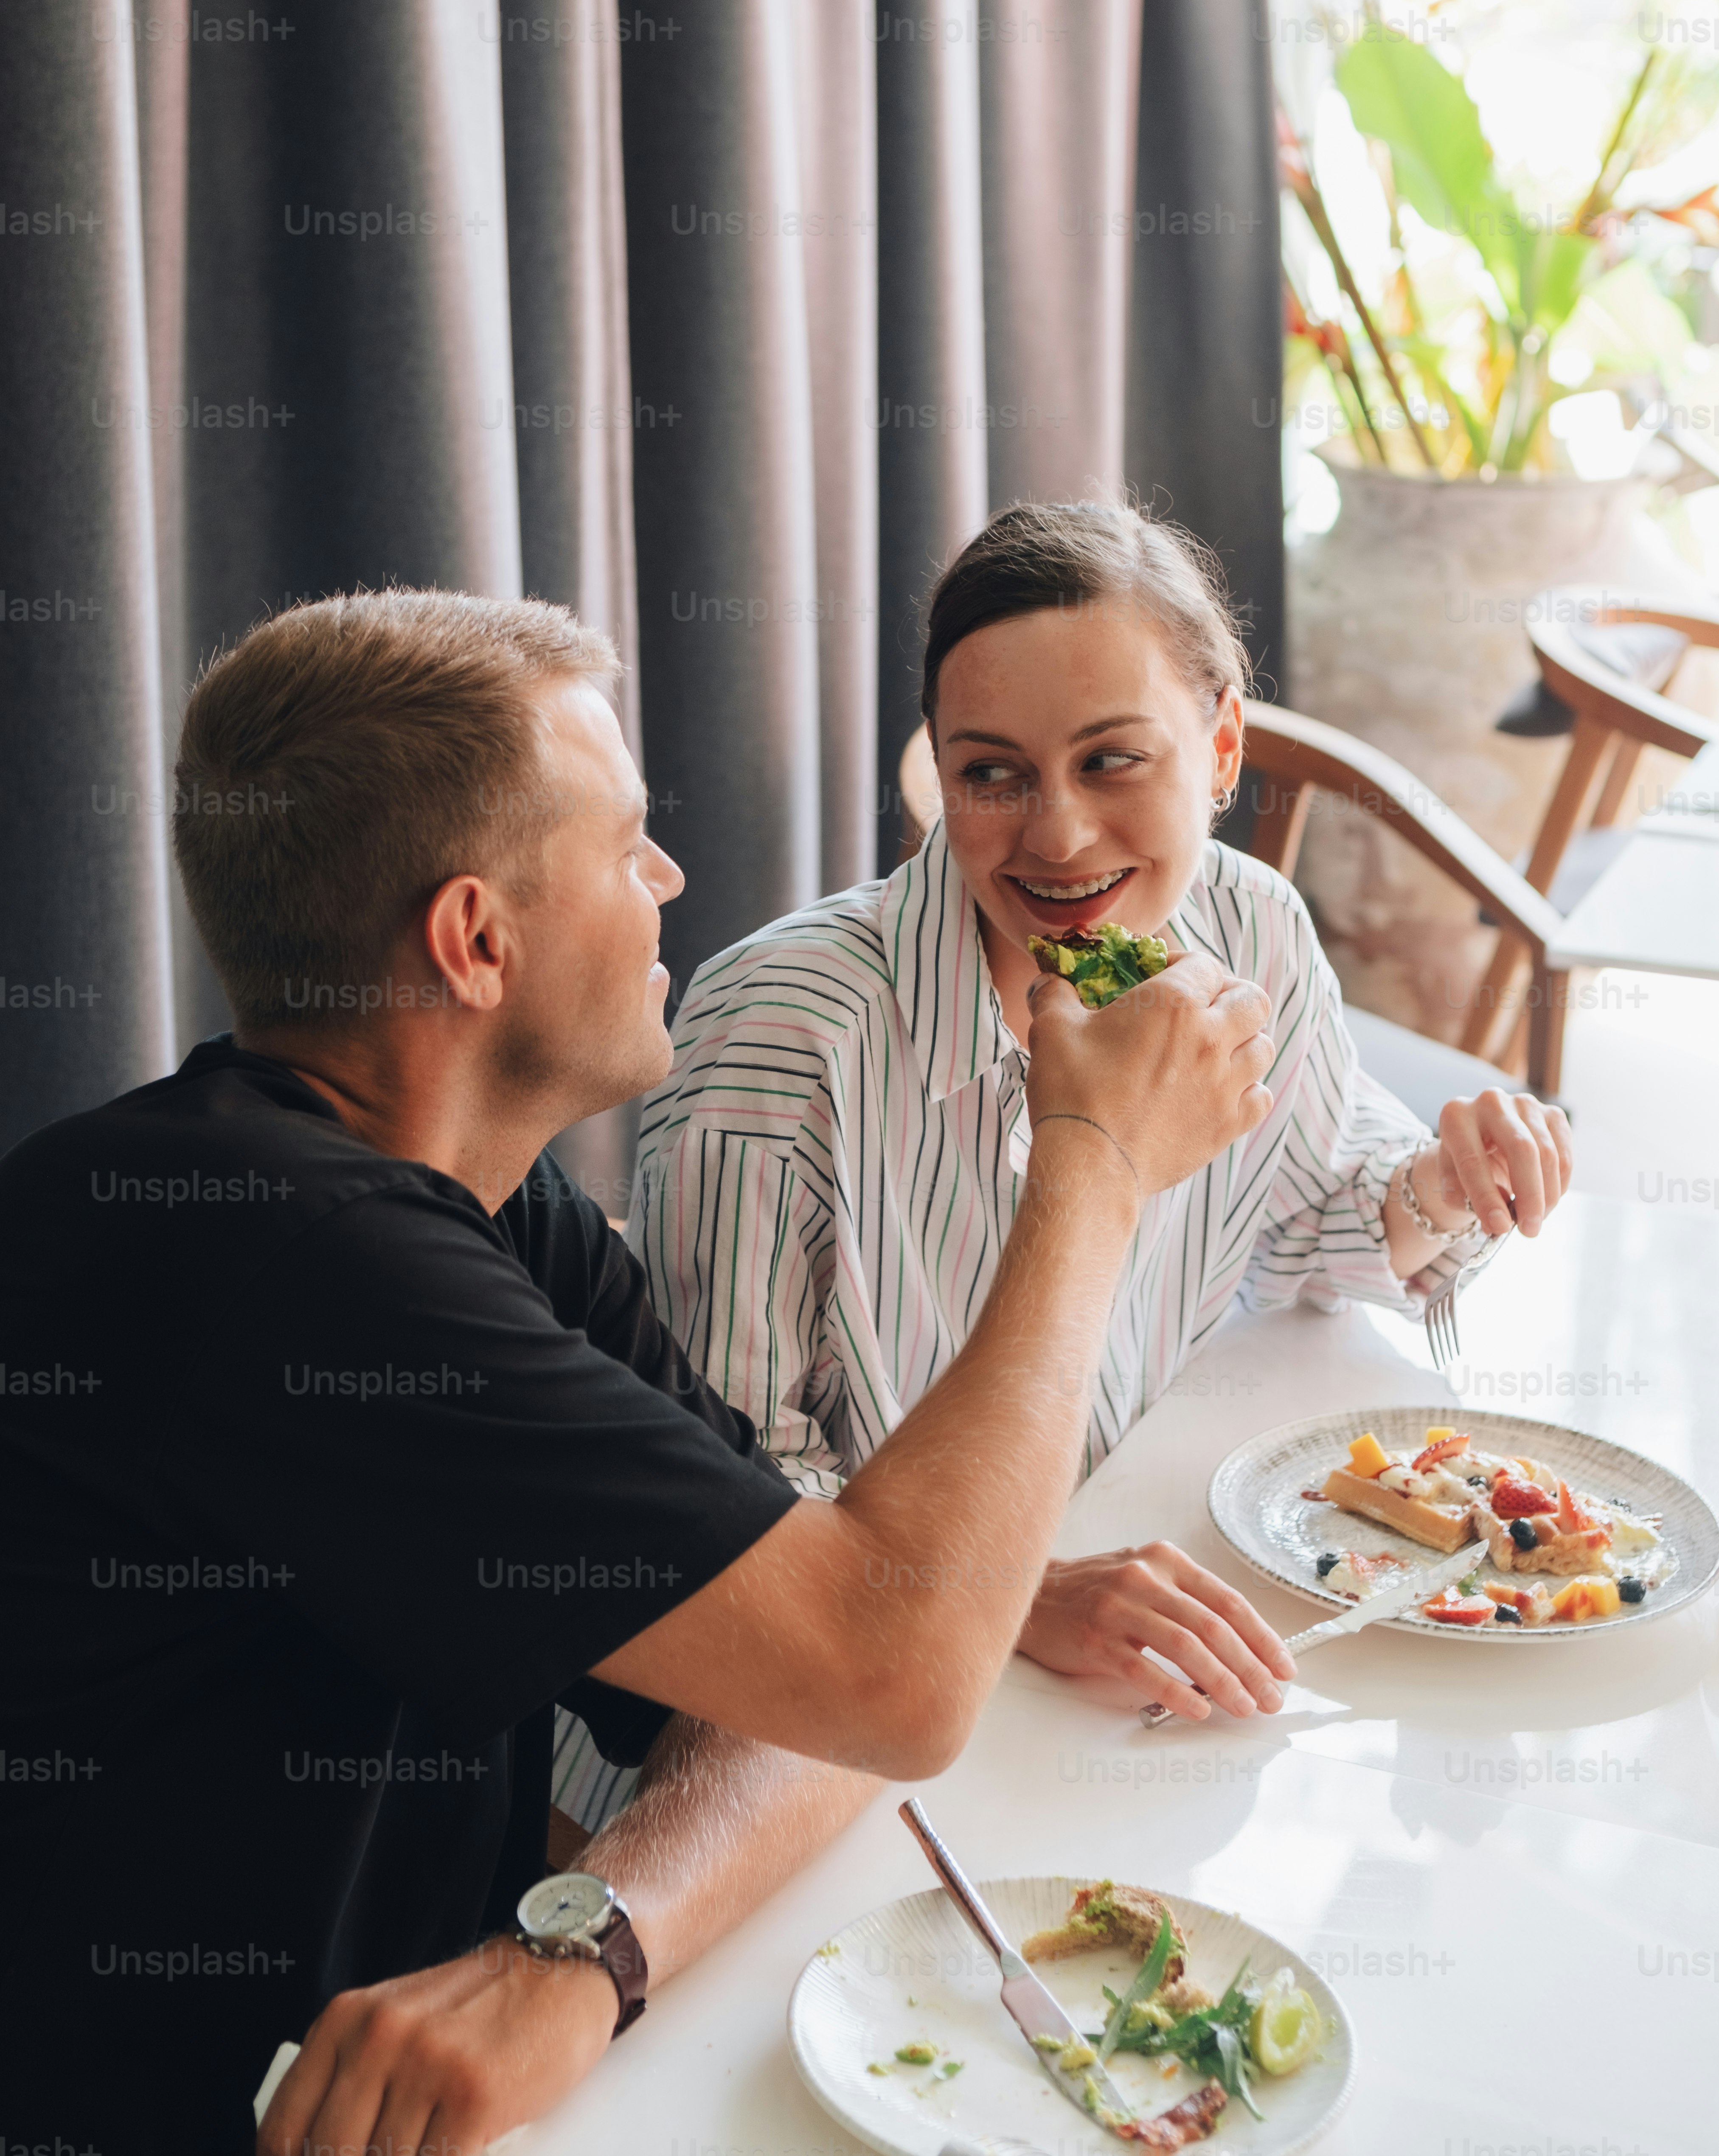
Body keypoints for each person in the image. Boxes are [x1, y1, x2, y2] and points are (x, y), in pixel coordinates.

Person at [0, 586, 1278, 2156]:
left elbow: (817, 1683)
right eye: (625, 846)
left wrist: (583, 1954)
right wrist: (1091, 1162)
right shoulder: (291, 1264)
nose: (669, 878)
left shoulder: (484, 1193)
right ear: (477, 940)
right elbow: (900, 1668)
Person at [557, 500, 1572, 1828]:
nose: (1055, 837)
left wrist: (1441, 1187)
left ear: (1219, 746)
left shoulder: (1246, 928)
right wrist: (1013, 1593)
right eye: (992, 774)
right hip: (774, 1764)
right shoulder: (781, 1032)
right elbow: (725, 1517)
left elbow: (1307, 1211)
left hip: (1130, 1668)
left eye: (1110, 762)